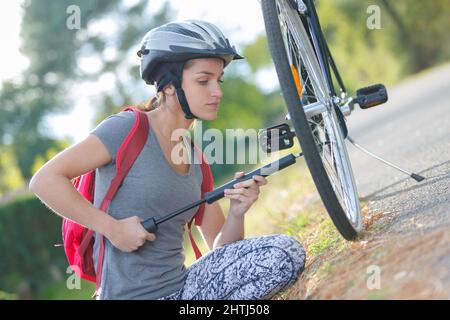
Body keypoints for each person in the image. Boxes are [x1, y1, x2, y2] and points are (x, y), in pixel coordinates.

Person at [29, 20, 306, 300]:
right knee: (283, 253)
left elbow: (222, 251)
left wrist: (237, 209)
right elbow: (44, 180)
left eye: (218, 80)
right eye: (203, 80)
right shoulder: (127, 129)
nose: (217, 91)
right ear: (170, 85)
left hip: (183, 291)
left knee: (283, 254)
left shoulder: (196, 157)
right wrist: (112, 229)